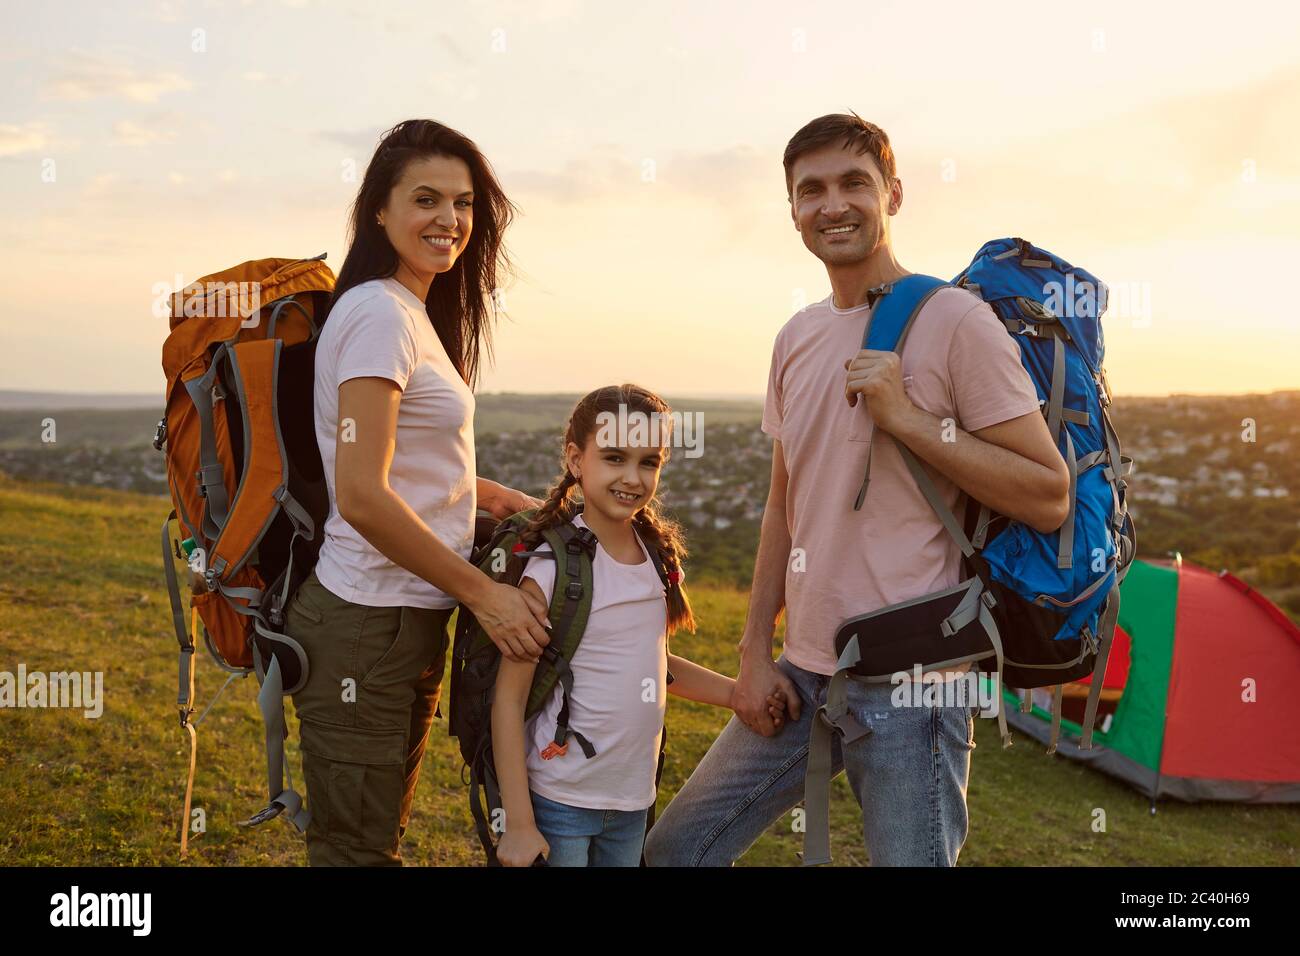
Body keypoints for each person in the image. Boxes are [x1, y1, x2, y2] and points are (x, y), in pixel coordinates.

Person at [644, 113, 1070, 867]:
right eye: (811, 190)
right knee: (677, 849)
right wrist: (752, 652)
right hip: (805, 667)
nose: (831, 204)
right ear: (793, 211)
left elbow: (1046, 493)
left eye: (853, 183)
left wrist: (909, 419)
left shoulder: (955, 323)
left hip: (915, 679)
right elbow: (785, 503)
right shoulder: (796, 336)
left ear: (893, 194)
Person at [285, 119, 552, 866]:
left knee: (377, 839)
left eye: (463, 203)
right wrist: (485, 595)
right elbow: (364, 494)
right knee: (355, 852)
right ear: (380, 209)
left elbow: (412, 469)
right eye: (427, 199)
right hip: (366, 622)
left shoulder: (411, 312)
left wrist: (502, 501)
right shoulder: (377, 314)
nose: (450, 220)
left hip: (401, 619)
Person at [491, 384, 787, 867]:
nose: (632, 476)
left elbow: (653, 665)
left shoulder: (656, 559)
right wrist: (520, 823)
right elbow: (509, 699)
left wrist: (735, 693)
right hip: (560, 801)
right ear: (575, 459)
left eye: (648, 462)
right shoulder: (551, 569)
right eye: (614, 457)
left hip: (632, 804)